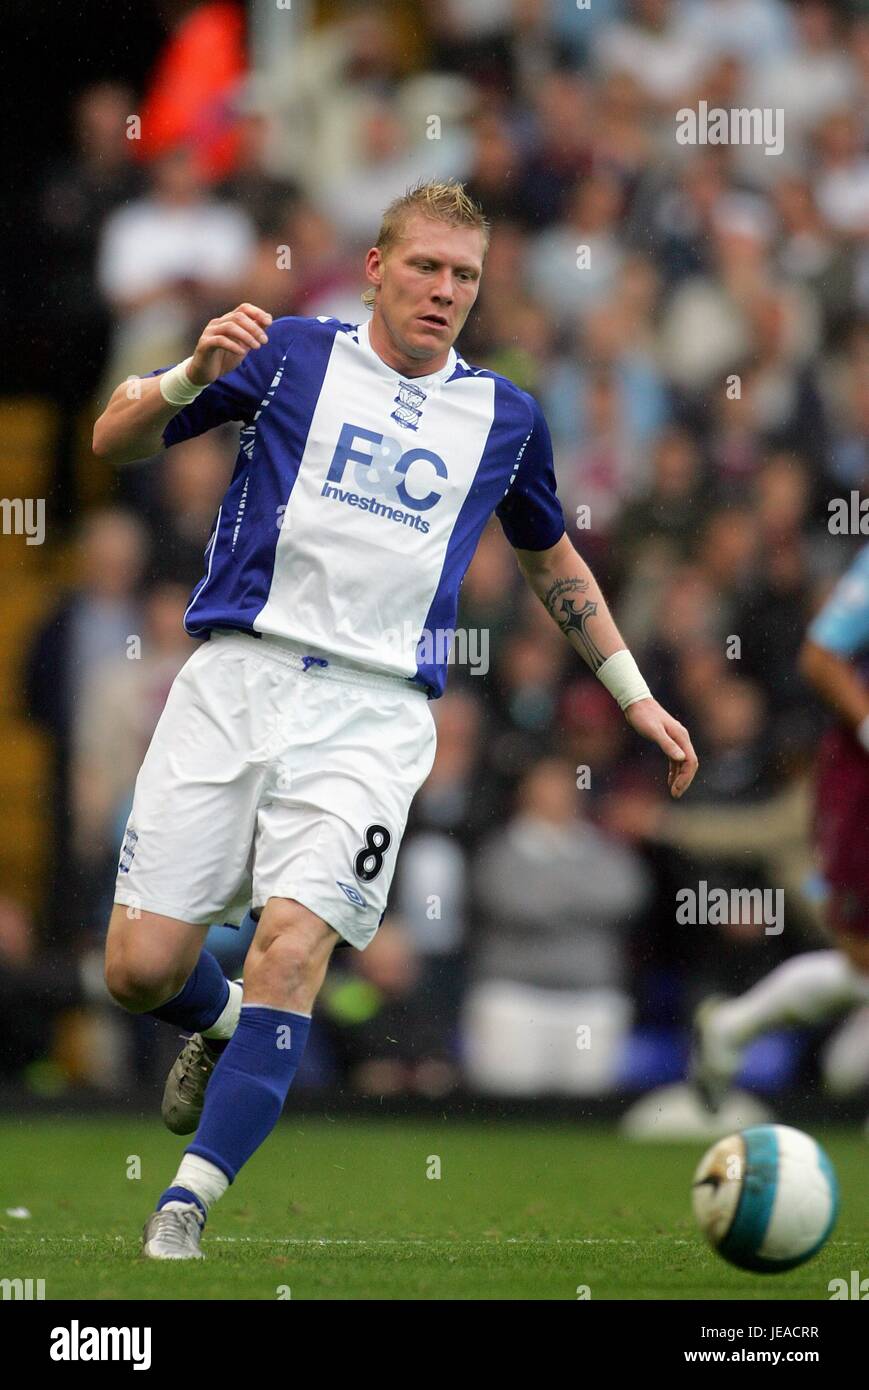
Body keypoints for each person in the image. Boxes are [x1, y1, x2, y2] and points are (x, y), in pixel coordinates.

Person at [91, 178, 698, 1259]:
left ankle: (181, 1207)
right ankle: (218, 1024)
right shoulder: (285, 353)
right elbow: (113, 441)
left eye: (464, 275)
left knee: (291, 947)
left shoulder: (504, 417)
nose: (444, 291)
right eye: (424, 266)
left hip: (373, 715)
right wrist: (188, 372)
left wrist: (633, 693)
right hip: (234, 679)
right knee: (138, 968)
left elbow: (550, 556)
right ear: (376, 268)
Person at [693, 544, 869, 1108]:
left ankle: (738, 1026)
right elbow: (820, 656)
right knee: (860, 954)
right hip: (860, 778)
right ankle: (741, 1027)